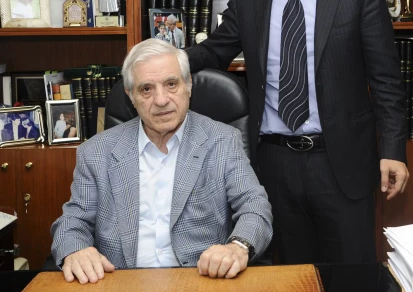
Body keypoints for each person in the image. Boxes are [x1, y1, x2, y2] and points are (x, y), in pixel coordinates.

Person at [187, 0, 409, 265]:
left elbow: (386, 80)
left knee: (352, 276)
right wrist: (160, 60)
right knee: (289, 276)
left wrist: (393, 150)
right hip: (274, 166)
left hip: (342, 161)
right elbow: (211, 52)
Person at [51, 39, 272, 284]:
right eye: (146, 89)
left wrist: (238, 247)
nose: (161, 100)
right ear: (131, 95)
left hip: (201, 281)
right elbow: (73, 221)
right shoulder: (96, 151)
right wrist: (76, 250)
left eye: (171, 84)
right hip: (120, 282)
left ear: (188, 85)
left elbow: (254, 206)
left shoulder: (222, 140)